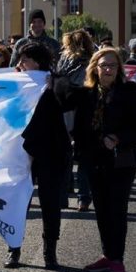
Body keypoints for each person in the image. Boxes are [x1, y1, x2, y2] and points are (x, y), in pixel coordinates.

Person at [57, 48, 136, 272]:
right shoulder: (86, 93)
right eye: (103, 65)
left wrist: (118, 138)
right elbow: (62, 98)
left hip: (121, 162)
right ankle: (108, 255)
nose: (108, 69)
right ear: (95, 68)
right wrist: (45, 77)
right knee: (103, 210)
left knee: (117, 210)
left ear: (119, 69)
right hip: (94, 160)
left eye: (112, 65)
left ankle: (117, 260)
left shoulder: (128, 91)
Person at [4, 43, 70, 270]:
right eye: (20, 59)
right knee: (18, 202)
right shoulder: (16, 82)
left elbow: (68, 102)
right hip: (22, 151)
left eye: (25, 60)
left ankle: (50, 251)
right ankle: (14, 248)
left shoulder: (56, 81)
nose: (20, 64)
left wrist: (55, 86)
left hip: (51, 150)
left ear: (38, 62)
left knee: (50, 202)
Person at [57, 29, 96, 212]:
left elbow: (58, 81)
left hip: (65, 107)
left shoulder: (64, 59)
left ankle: (64, 195)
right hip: (85, 109)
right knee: (84, 156)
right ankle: (83, 198)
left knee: (64, 154)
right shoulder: (92, 60)